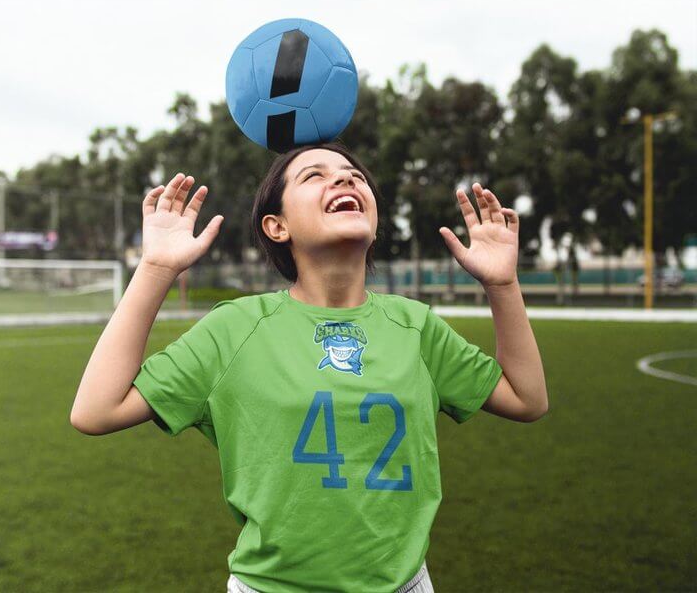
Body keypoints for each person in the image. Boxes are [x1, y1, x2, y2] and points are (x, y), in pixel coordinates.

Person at [70, 141, 548, 593]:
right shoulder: (235, 328)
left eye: (354, 177)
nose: (344, 182)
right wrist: (156, 268)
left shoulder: (415, 325)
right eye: (314, 176)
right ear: (277, 227)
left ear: (375, 221)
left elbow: (527, 399)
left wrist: (503, 284)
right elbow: (96, 411)